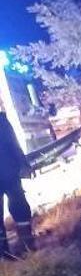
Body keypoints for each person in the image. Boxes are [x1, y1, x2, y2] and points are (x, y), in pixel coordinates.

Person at [0, 111, 35, 259]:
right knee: (19, 205)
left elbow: (13, 144)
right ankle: (23, 248)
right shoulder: (1, 121)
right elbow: (14, 144)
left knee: (19, 206)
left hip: (9, 172)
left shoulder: (1, 121)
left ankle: (8, 253)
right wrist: (23, 164)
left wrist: (23, 164)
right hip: (9, 172)